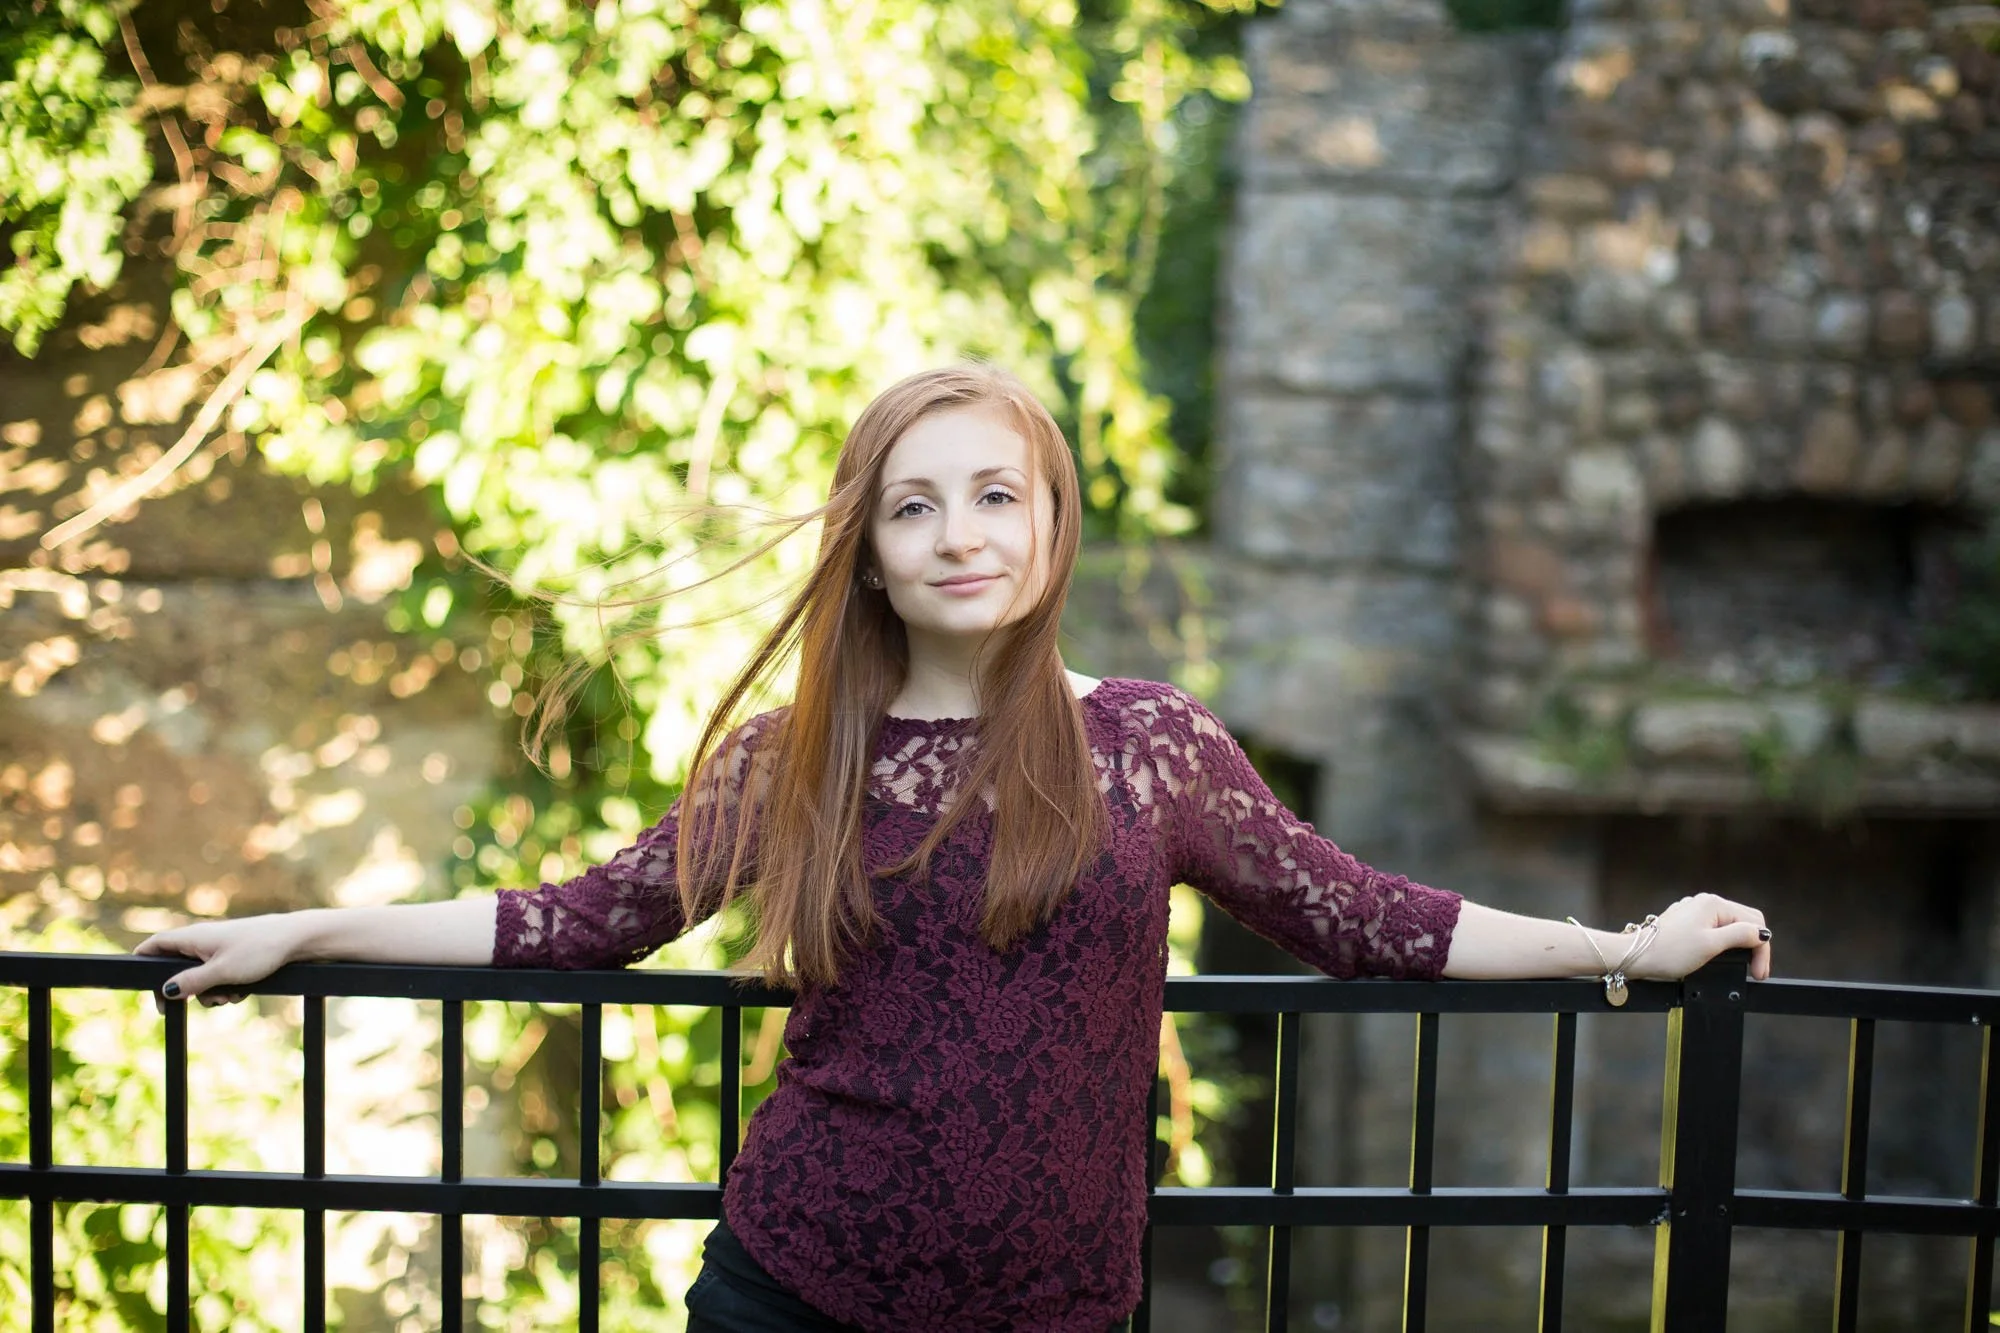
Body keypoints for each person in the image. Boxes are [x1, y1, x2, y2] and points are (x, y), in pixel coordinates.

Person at [137, 364, 1773, 1332]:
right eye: (914, 507)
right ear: (869, 554)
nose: (961, 534)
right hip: (795, 1292)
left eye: (995, 494)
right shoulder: (800, 760)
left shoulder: (1149, 745)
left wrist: (1623, 953)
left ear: (1053, 519)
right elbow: (577, 919)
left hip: (1057, 1316)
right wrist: (304, 928)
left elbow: (1367, 919)